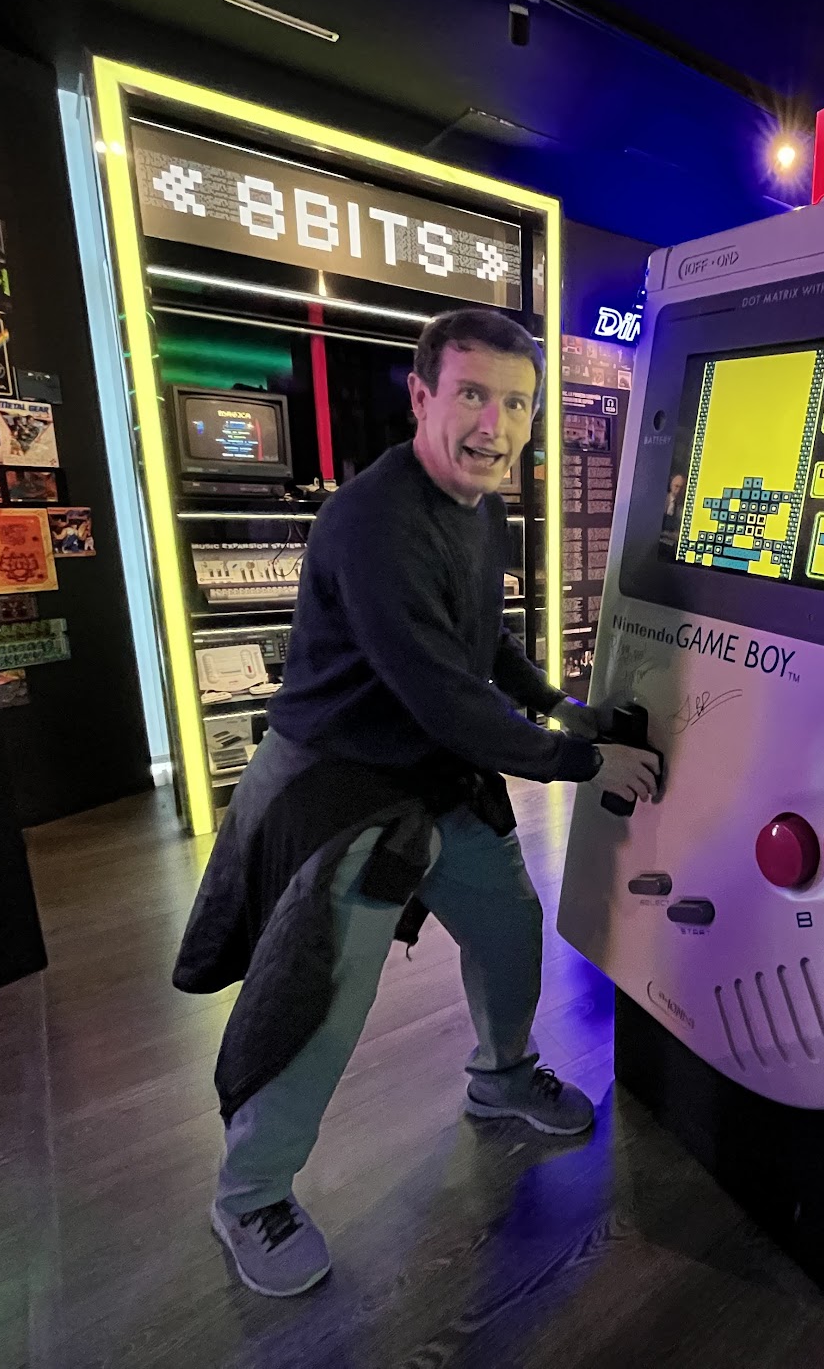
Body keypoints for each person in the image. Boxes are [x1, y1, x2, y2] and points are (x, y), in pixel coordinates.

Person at [174, 307, 660, 1298]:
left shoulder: (476, 508)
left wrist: (559, 705)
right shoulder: (373, 522)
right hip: (343, 785)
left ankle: (500, 1079)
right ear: (421, 395)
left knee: (508, 927)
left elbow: (480, 640)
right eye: (472, 394)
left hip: (435, 770)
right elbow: (444, 694)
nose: (494, 424)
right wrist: (581, 760)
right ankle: (249, 1193)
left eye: (515, 403)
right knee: (319, 997)